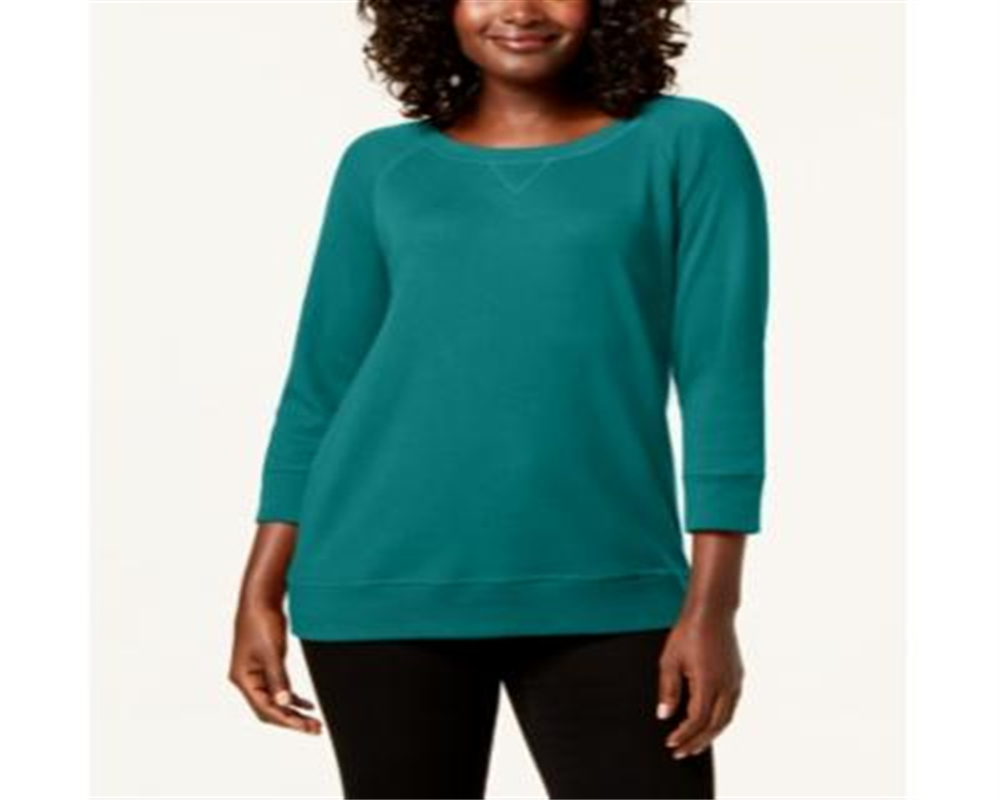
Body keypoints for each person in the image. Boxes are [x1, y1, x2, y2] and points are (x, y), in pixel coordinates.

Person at [229, 0, 769, 797]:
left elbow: (723, 378)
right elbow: (320, 386)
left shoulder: (686, 143)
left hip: (609, 585)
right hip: (377, 581)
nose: (519, 9)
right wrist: (260, 589)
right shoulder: (382, 166)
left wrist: (713, 607)